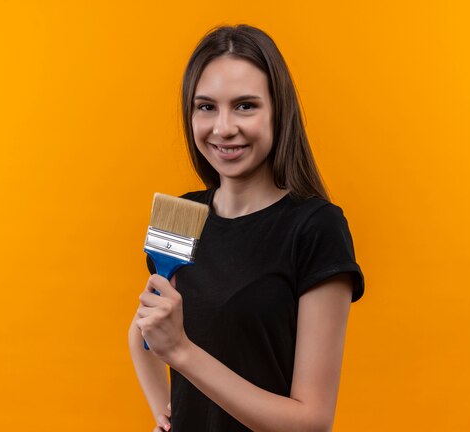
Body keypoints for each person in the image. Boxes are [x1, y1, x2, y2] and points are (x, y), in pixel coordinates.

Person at [129, 24, 365, 432]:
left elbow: (312, 423)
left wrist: (182, 352)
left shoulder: (316, 229)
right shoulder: (182, 213)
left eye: (245, 106)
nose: (223, 128)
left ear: (278, 111)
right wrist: (165, 413)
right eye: (206, 107)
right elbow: (144, 330)